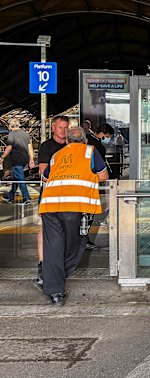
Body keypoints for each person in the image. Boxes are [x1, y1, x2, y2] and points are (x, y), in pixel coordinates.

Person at [39, 127, 108, 305]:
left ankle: (54, 290)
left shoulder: (57, 155)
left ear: (67, 141)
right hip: (74, 204)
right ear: (85, 141)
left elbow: (45, 177)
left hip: (49, 205)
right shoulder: (90, 152)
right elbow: (103, 176)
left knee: (53, 247)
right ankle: (56, 277)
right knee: (75, 243)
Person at [34, 115, 69, 291]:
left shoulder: (72, 146)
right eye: (60, 127)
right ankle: (42, 264)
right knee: (44, 229)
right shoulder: (46, 146)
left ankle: (58, 265)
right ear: (53, 128)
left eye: (66, 127)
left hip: (69, 195)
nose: (64, 131)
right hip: (50, 194)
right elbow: (43, 171)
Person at [0, 118, 35, 205]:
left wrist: (2, 157)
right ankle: (10, 196)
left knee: (20, 179)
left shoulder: (12, 133)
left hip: (16, 160)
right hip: (24, 160)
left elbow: (9, 147)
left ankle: (26, 198)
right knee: (16, 178)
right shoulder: (25, 134)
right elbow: (30, 148)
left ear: (10, 126)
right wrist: (31, 160)